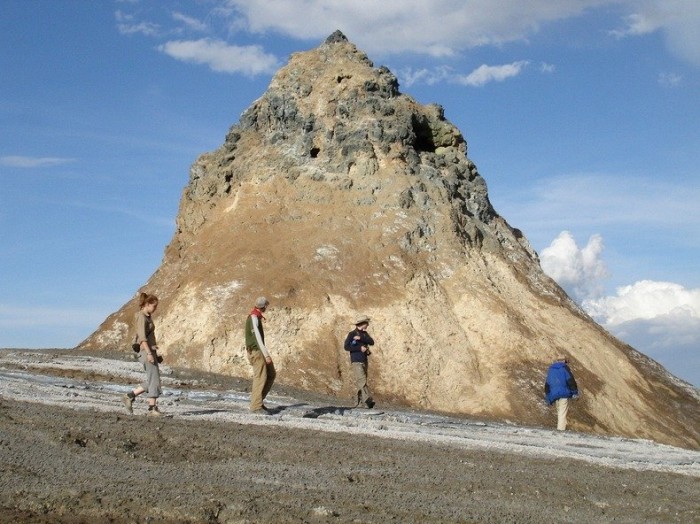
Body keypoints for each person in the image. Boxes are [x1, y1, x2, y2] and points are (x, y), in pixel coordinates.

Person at [123, 293, 163, 416]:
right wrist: (150, 353)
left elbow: (149, 337)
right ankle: (152, 409)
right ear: (147, 304)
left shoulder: (147, 316)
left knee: (152, 379)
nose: (155, 308)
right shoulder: (141, 317)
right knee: (154, 380)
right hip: (146, 351)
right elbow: (142, 337)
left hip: (150, 351)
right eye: (154, 306)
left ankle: (129, 396)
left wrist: (155, 353)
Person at [245, 296, 276, 413]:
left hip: (258, 351)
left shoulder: (256, 317)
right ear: (264, 307)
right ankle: (256, 406)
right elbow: (257, 338)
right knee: (260, 377)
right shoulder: (253, 318)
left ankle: (258, 401)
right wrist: (266, 355)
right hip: (256, 351)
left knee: (271, 374)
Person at [344, 315, 375, 409]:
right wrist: (359, 348)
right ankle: (367, 400)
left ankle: (356, 402)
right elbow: (346, 347)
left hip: (364, 360)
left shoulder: (364, 334)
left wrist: (361, 339)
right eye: (367, 323)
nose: (368, 325)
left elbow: (371, 342)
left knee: (360, 382)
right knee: (362, 380)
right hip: (356, 361)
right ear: (363, 324)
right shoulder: (352, 334)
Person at [544, 357, 579, 431]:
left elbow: (547, 383)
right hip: (564, 393)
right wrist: (575, 392)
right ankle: (561, 430)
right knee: (562, 413)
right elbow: (570, 380)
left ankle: (562, 427)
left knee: (559, 410)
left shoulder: (551, 369)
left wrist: (548, 396)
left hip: (554, 394)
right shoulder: (564, 368)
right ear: (564, 362)